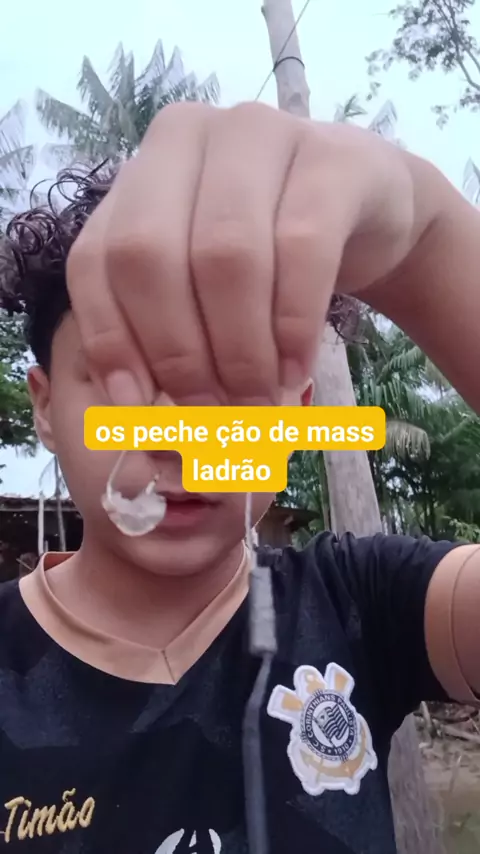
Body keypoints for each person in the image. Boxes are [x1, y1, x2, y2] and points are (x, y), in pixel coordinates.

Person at [0, 100, 478, 854]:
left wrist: (425, 237)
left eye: (231, 383)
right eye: (124, 381)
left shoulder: (368, 605)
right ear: (46, 405)